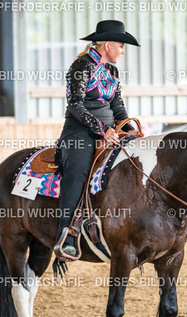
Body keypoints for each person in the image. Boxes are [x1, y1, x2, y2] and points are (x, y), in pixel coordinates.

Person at [54, 20, 140, 260]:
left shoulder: (112, 71)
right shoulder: (81, 66)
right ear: (108, 45)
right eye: (121, 46)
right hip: (79, 134)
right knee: (78, 175)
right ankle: (66, 235)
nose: (123, 51)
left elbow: (117, 106)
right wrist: (103, 130)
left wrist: (130, 128)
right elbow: (75, 105)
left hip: (110, 133)